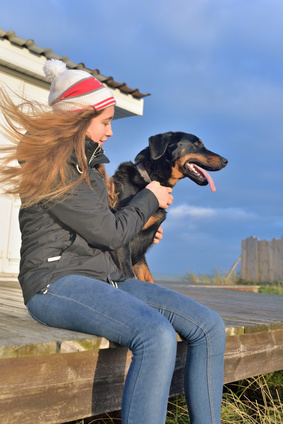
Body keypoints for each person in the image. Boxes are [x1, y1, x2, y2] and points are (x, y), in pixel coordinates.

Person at [0, 59, 226, 424]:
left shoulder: (87, 167)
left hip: (105, 277)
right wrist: (149, 197)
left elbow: (106, 227)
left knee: (209, 325)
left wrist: (142, 227)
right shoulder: (56, 168)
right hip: (54, 284)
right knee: (156, 335)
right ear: (78, 119)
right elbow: (108, 232)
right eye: (105, 122)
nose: (109, 132)